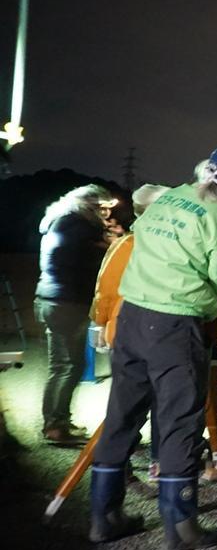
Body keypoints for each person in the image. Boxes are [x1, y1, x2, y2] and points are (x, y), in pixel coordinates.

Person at [90, 145, 217, 550]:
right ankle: (181, 528)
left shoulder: (172, 197)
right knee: (181, 422)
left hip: (131, 320)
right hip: (175, 326)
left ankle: (103, 517)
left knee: (122, 414)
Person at [90, 184, 170, 477]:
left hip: (124, 334)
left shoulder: (126, 244)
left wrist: (100, 323)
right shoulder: (172, 245)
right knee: (165, 403)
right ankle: (161, 462)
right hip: (162, 335)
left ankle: (115, 466)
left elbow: (105, 290)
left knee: (125, 408)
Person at [34, 184, 117, 442]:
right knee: (70, 365)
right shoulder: (81, 228)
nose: (105, 215)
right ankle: (56, 427)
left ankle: (55, 422)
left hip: (50, 298)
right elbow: (94, 264)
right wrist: (111, 244)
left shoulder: (59, 222)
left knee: (60, 365)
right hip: (69, 302)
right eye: (102, 209)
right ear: (89, 206)